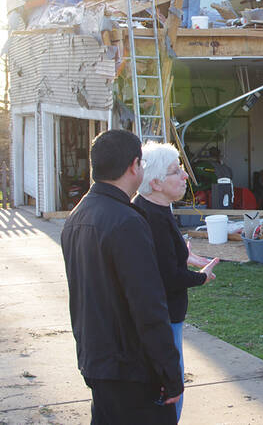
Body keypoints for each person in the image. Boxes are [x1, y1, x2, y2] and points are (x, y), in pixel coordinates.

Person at [61, 130, 183, 424]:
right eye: (141, 165)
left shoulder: (76, 217)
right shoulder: (127, 222)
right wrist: (170, 370)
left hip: (96, 361)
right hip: (131, 370)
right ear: (134, 167)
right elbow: (148, 306)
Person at [134, 141, 220, 422]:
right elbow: (167, 276)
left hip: (162, 317)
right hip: (163, 318)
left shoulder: (156, 210)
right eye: (176, 171)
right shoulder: (152, 218)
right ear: (156, 183)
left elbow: (163, 260)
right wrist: (201, 277)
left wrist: (183, 254)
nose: (185, 176)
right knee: (171, 388)